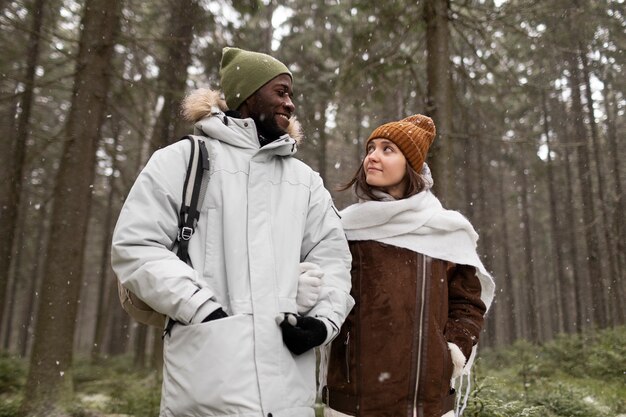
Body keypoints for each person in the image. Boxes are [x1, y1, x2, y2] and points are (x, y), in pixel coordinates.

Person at [111, 47, 354, 417]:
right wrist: (203, 310)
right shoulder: (180, 161)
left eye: (291, 95)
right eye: (281, 92)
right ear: (246, 95)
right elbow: (136, 246)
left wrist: (322, 322)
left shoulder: (306, 182)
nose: (290, 104)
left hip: (289, 395)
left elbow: (333, 256)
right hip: (207, 386)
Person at [321, 115, 495, 417]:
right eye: (370, 148)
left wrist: (452, 352)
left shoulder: (445, 230)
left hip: (427, 402)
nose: (372, 156)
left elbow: (467, 303)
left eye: (387, 149)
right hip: (355, 399)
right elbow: (326, 293)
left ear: (410, 165)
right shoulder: (344, 227)